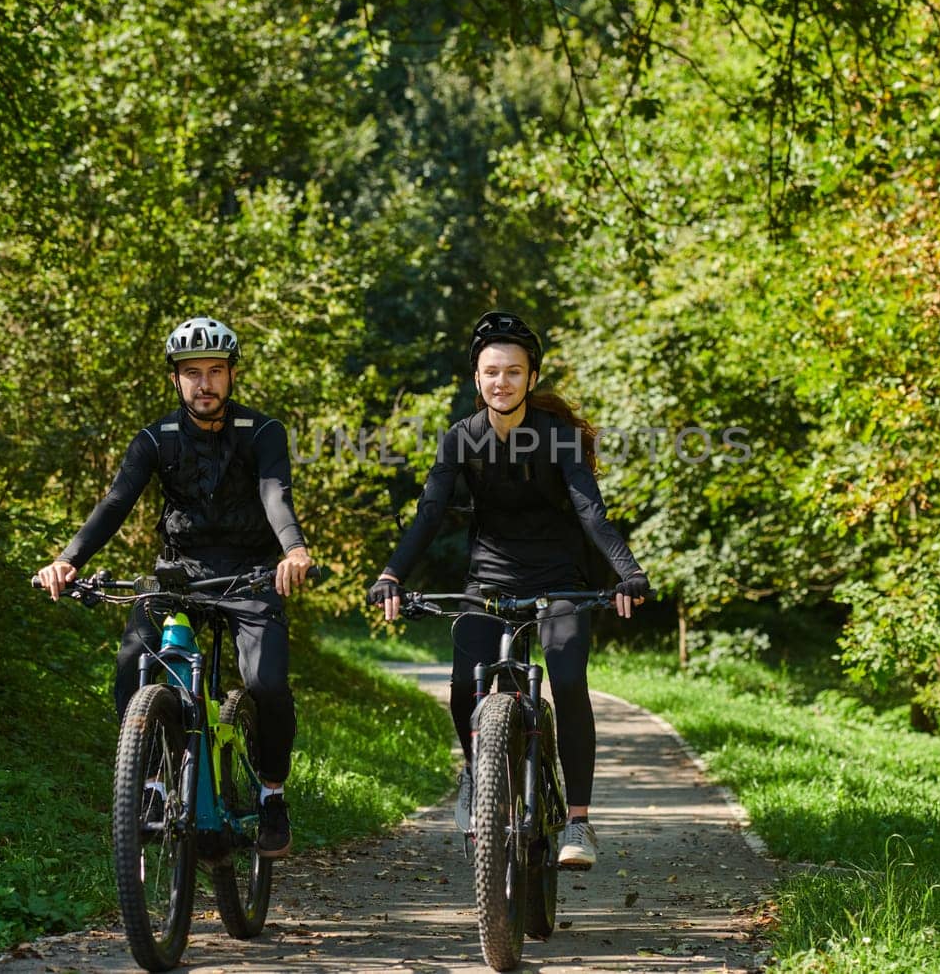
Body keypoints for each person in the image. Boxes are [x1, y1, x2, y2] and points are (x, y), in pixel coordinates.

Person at [367, 311, 651, 870]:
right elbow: (428, 516)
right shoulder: (460, 440)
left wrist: (627, 572)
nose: (502, 382)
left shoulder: (559, 439)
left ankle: (579, 823)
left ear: (531, 378)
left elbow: (592, 514)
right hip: (489, 580)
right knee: (461, 689)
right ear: (477, 378)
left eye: (514, 372)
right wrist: (391, 575)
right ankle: (480, 774)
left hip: (562, 579)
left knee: (568, 680)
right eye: (492, 372)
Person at [35, 316, 315, 857]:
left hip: (250, 573)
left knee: (267, 684)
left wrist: (293, 550)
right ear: (176, 380)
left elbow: (275, 493)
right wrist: (68, 560)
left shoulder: (262, 432)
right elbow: (116, 503)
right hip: (178, 570)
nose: (204, 383)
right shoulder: (154, 439)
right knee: (132, 664)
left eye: (214, 371)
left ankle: (273, 793)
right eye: (192, 373)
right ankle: (153, 782)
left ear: (231, 376)